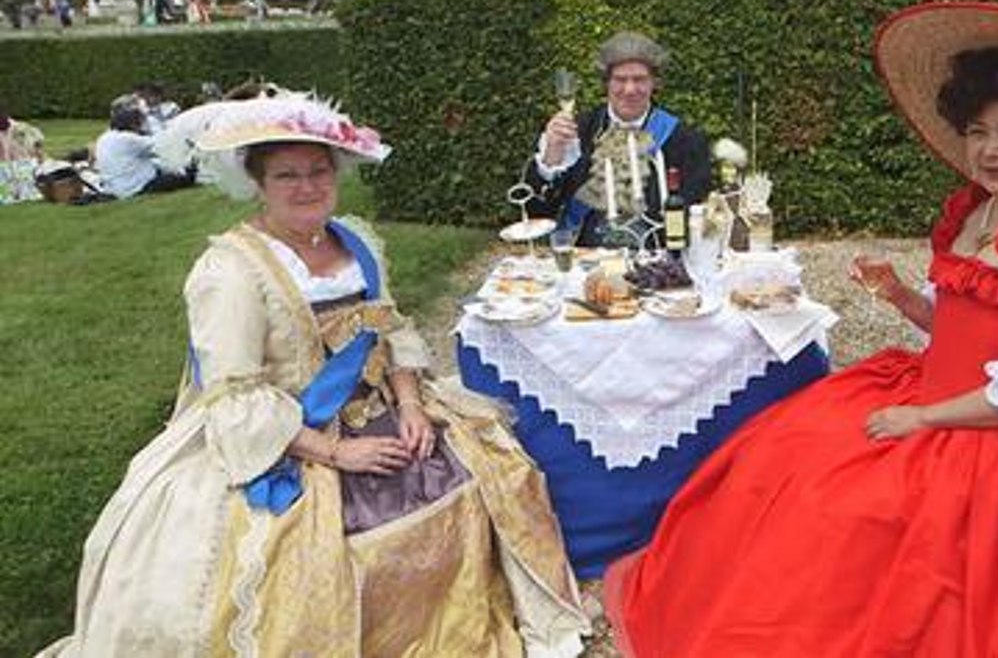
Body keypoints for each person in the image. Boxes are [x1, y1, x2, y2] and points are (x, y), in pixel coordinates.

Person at [603, 0, 998, 657]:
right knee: (782, 473)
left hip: (995, 431)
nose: (988, 150)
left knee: (905, 542)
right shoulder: (974, 212)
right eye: (978, 130)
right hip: (929, 388)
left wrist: (924, 421)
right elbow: (961, 326)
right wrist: (903, 295)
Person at [39, 95, 590, 657]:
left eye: (319, 171)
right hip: (285, 431)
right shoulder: (230, 270)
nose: (307, 186)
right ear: (257, 182)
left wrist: (410, 405)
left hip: (375, 404)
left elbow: (389, 327)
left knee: (492, 470)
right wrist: (337, 455)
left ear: (337, 173)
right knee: (308, 552)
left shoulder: (354, 240)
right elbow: (233, 396)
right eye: (287, 175)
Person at [526, 31, 711, 247]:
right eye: (620, 79)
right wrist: (552, 156)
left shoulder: (685, 140)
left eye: (640, 79)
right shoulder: (577, 130)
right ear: (606, 83)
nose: (630, 89)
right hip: (584, 259)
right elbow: (537, 212)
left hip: (656, 258)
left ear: (654, 83)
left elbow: (693, 213)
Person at [94, 95, 194, 198]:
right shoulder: (128, 139)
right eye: (141, 122)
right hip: (136, 188)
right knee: (185, 177)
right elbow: (161, 144)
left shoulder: (104, 137)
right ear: (133, 124)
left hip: (114, 188)